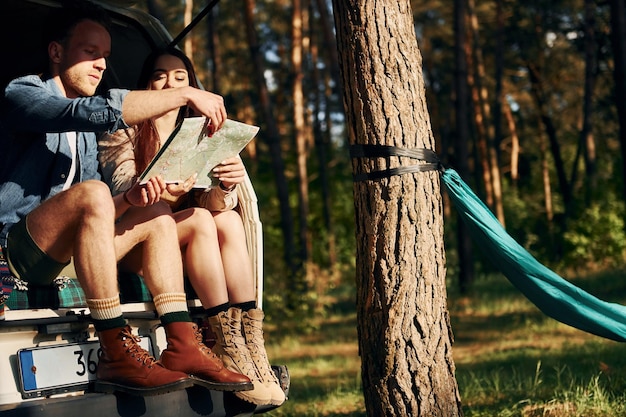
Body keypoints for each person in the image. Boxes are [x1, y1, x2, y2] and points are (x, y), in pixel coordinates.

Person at [0, 1, 252, 397]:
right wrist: (183, 92)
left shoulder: (85, 138)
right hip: (22, 247)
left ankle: (183, 344)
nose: (101, 64)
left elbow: (97, 210)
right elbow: (90, 115)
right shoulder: (24, 94)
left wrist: (132, 198)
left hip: (71, 255)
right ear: (56, 52)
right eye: (90, 52)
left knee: (153, 212)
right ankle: (116, 350)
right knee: (97, 191)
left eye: (106, 56)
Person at [97, 47, 285, 406]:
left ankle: (250, 346)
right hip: (137, 238)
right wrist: (162, 191)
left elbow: (211, 207)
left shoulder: (203, 133)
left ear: (192, 85)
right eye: (160, 76)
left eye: (180, 78)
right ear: (146, 88)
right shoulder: (123, 131)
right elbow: (123, 188)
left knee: (227, 218)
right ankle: (224, 343)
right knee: (199, 220)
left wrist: (225, 186)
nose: (170, 83)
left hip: (185, 243)